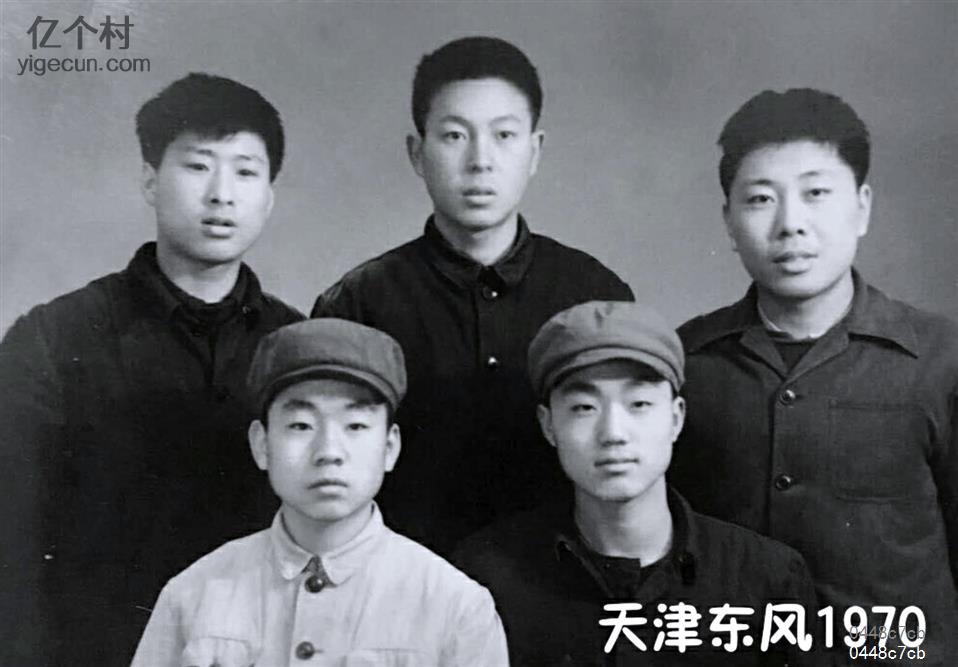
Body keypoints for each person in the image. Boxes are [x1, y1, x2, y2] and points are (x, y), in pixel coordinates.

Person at [0, 72, 303, 665]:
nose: (221, 194)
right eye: (198, 166)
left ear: (269, 196)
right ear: (149, 179)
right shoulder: (54, 338)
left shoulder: (295, 346)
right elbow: (11, 538)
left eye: (246, 172)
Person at [312, 36, 634, 555]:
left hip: (565, 581)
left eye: (504, 135)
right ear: (417, 153)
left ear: (534, 150)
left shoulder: (595, 295)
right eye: (455, 136)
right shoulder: (357, 304)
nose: (480, 161)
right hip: (406, 583)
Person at [669, 88, 958, 665]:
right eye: (760, 199)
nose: (790, 224)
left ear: (862, 207)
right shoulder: (687, 362)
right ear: (728, 221)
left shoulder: (941, 359)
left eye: (816, 194)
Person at [456, 301, 823, 666]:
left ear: (676, 418)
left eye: (639, 404)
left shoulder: (767, 579)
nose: (613, 433)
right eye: (584, 407)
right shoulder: (486, 577)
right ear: (549, 425)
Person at [132, 318, 508, 666]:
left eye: (355, 425)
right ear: (262, 444)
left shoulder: (456, 607)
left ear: (390, 447)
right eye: (301, 425)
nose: (328, 451)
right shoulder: (193, 595)